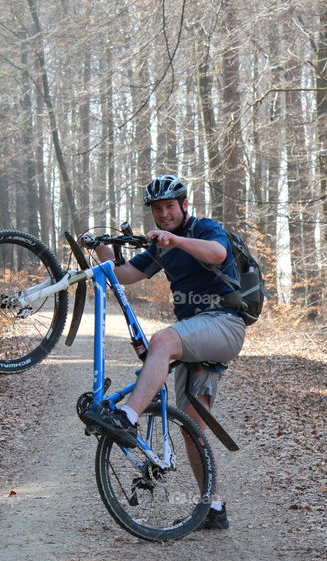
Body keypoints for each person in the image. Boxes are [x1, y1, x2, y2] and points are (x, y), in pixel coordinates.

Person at [84, 174, 245, 529]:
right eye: (158, 209)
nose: (164, 214)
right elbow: (124, 275)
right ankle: (213, 507)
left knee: (161, 341)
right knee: (193, 428)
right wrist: (100, 248)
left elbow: (218, 254)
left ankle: (126, 416)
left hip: (223, 323)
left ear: (184, 205)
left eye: (170, 206)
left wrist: (176, 240)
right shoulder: (160, 246)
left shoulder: (203, 229)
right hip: (195, 333)